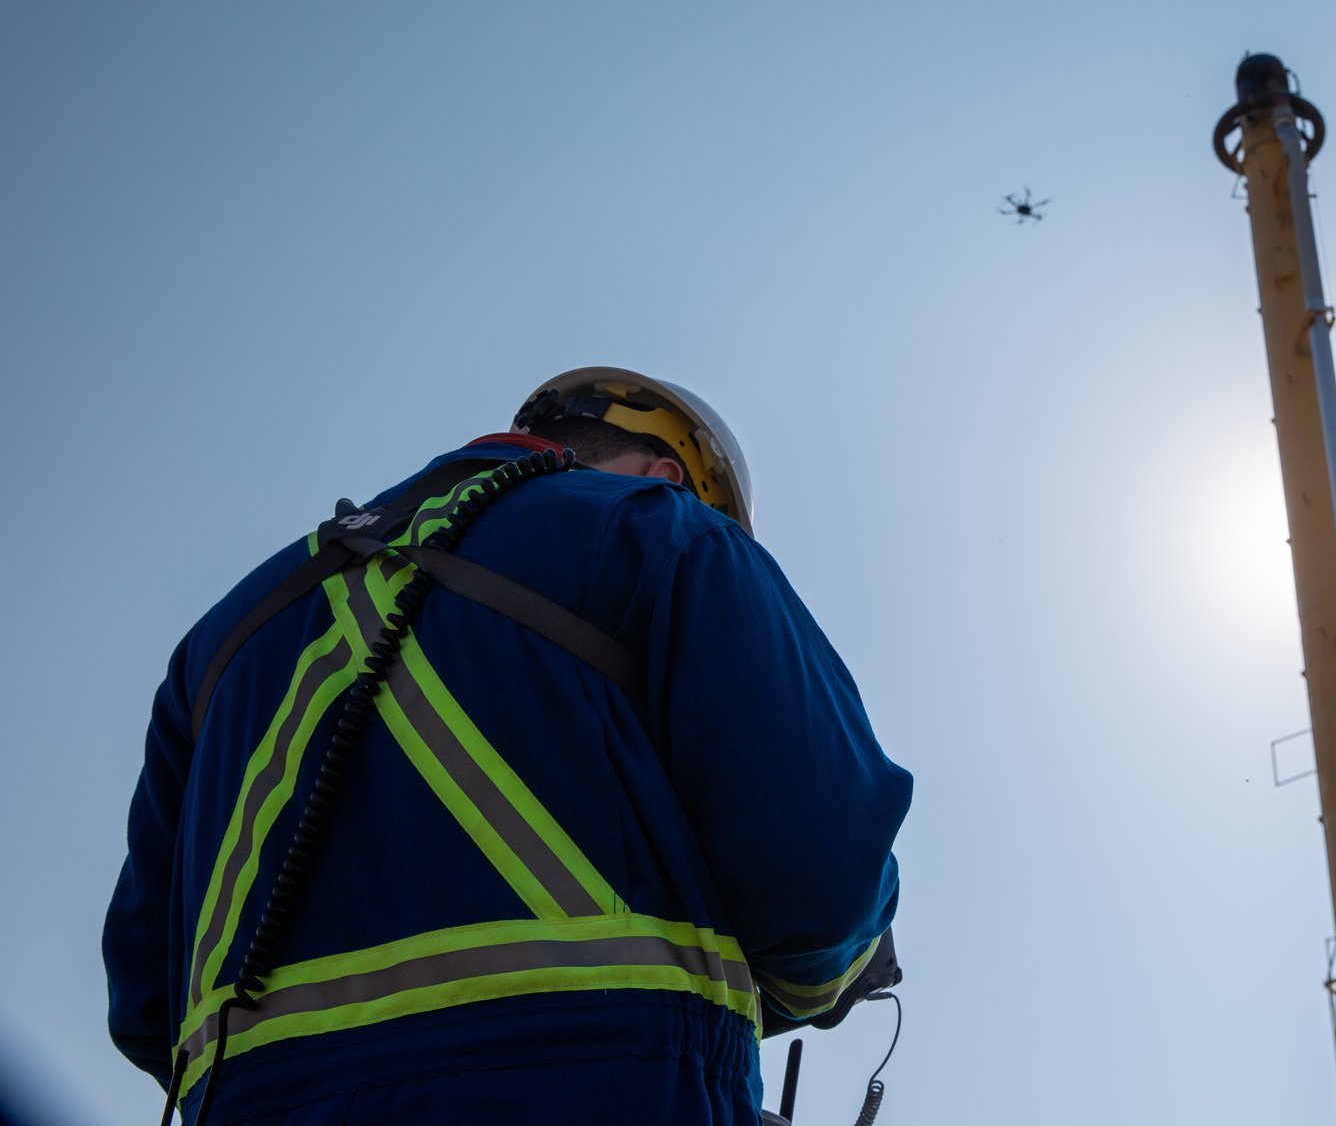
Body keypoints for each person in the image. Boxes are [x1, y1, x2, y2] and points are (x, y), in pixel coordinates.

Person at [103, 368, 912, 1124]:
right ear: (670, 477)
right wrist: (838, 971)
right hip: (607, 1088)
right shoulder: (667, 533)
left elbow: (146, 1004)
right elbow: (818, 880)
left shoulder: (221, 640)